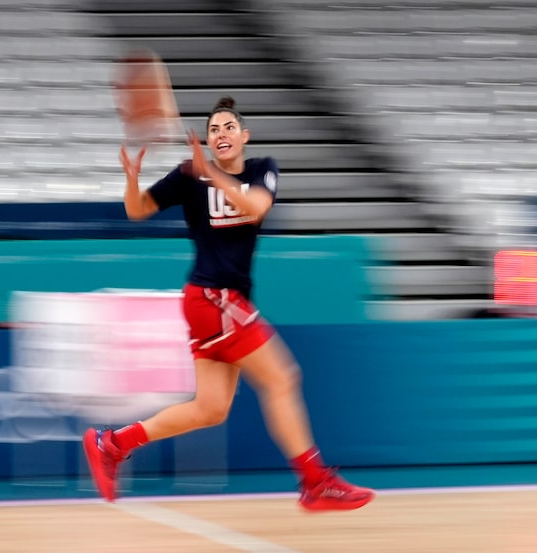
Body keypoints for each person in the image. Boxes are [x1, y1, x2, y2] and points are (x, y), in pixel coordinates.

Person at [82, 96, 375, 512]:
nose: (221, 134)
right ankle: (315, 482)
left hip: (217, 302)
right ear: (208, 139)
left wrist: (211, 175)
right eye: (214, 129)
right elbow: (136, 210)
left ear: (243, 136)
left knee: (210, 408)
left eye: (228, 128)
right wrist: (132, 180)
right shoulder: (189, 176)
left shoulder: (262, 169)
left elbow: (255, 208)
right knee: (281, 377)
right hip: (212, 296)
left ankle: (112, 444)